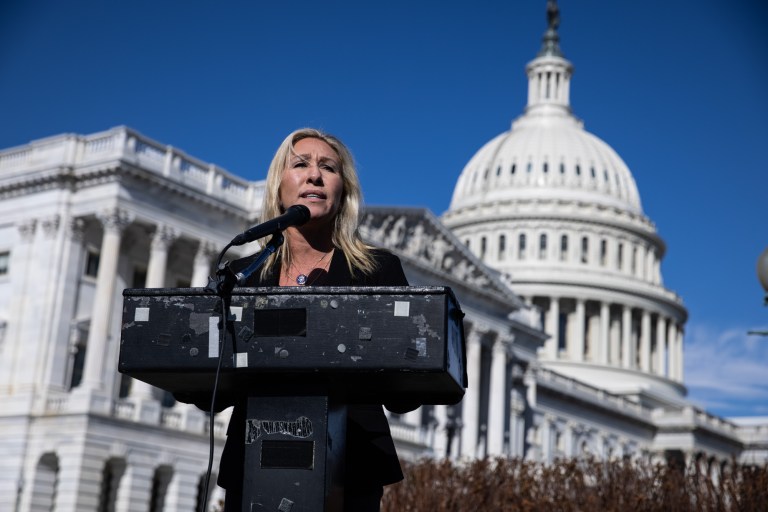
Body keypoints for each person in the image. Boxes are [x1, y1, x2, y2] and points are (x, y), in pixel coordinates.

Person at [214, 128, 417, 511]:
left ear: (344, 191)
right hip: (256, 460)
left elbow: (403, 389)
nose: (314, 175)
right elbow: (209, 387)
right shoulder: (241, 275)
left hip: (350, 466)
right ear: (279, 185)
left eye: (328, 167)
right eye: (301, 164)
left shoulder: (378, 270)